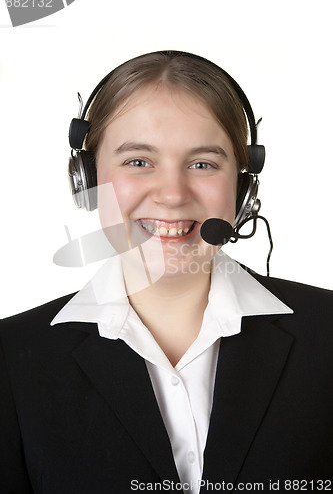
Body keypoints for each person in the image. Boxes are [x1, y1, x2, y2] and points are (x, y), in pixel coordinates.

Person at [0, 50, 332, 494]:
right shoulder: (11, 358)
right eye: (138, 161)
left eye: (203, 164)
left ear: (244, 189)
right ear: (87, 180)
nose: (173, 194)